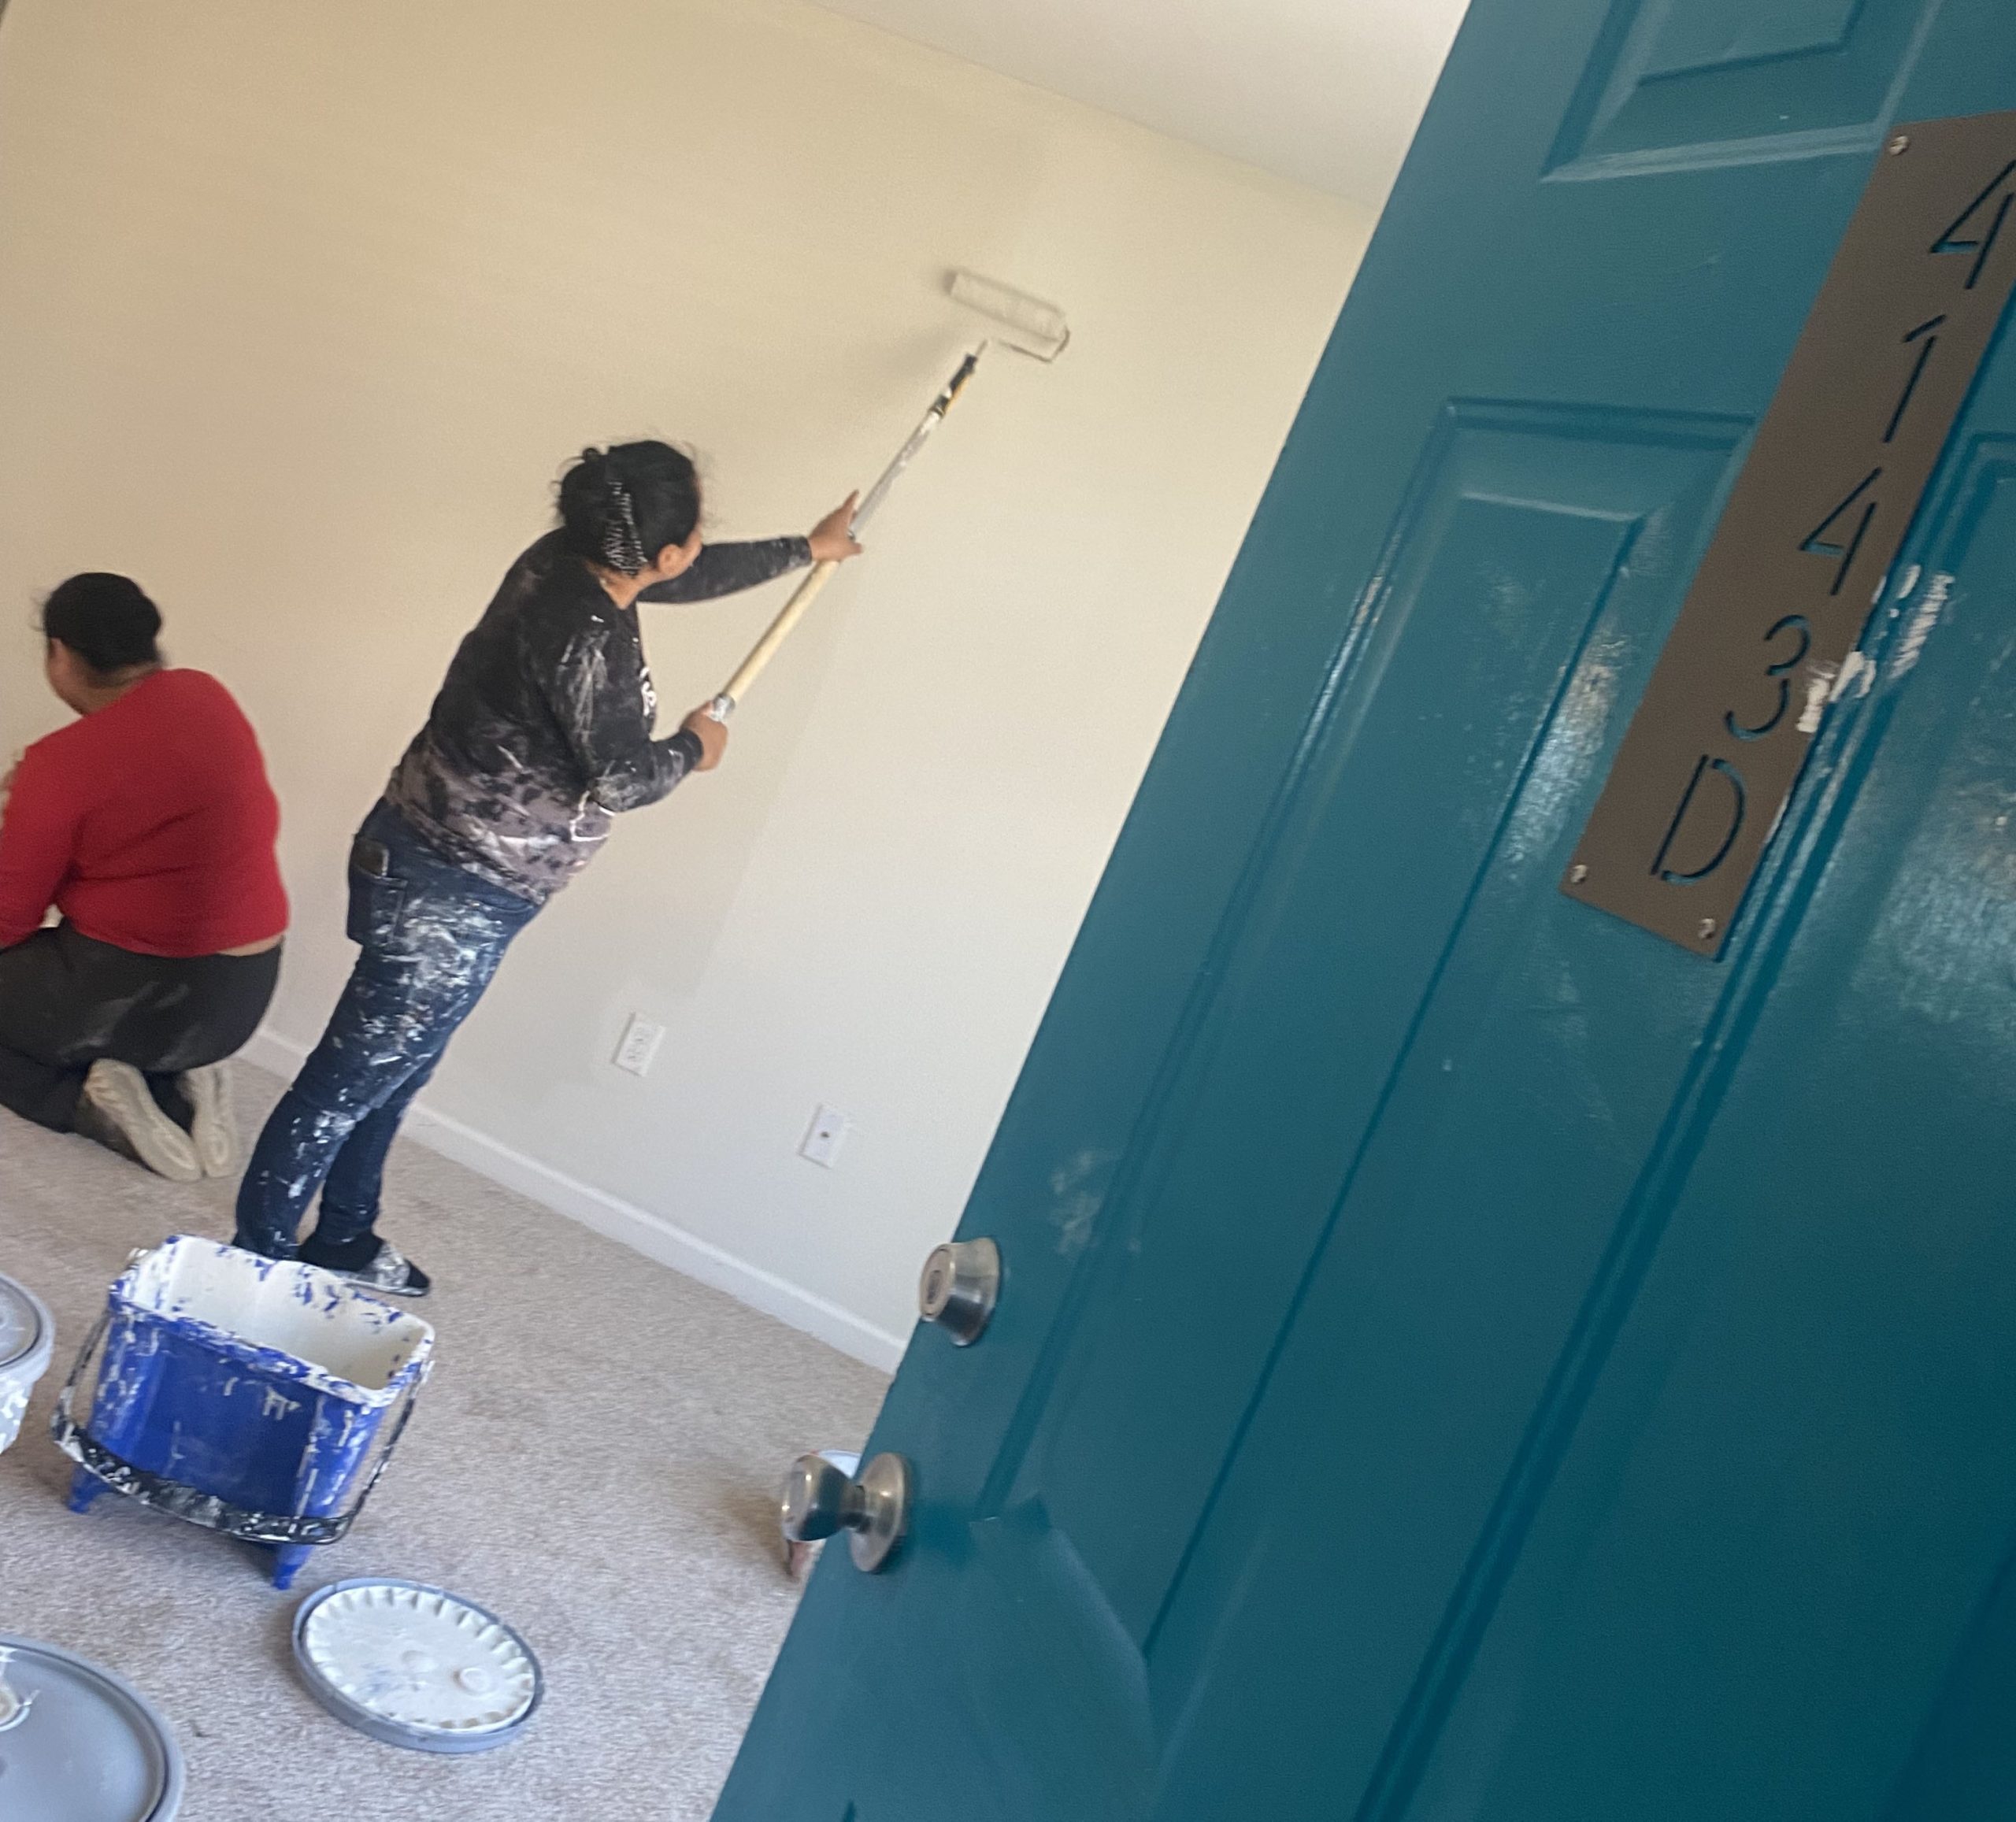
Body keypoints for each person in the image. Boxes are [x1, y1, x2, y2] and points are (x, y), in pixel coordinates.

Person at [233, 441, 862, 1296]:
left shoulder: (564, 560)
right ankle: (251, 1271)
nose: (693, 550)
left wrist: (805, 549)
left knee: (397, 1069)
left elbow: (687, 573)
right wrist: (694, 747)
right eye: (689, 537)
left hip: (439, 865)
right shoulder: (587, 638)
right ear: (658, 551)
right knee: (346, 1085)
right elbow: (622, 779)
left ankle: (343, 1235)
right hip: (449, 891)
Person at [0, 574, 287, 1180]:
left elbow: (9, 917)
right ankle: (180, 1083)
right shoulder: (206, 695)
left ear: (60, 653)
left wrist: (24, 810)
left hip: (133, 997)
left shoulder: (60, 764)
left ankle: (82, 1102)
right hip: (243, 998)